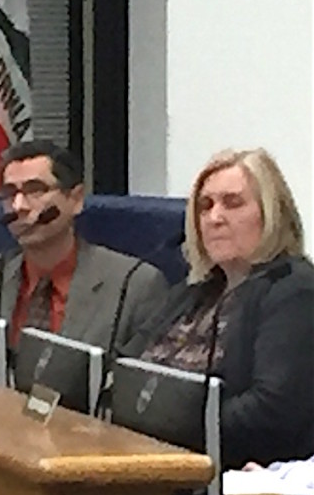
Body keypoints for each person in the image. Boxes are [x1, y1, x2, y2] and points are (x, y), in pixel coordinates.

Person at [120, 148, 314, 470]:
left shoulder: (294, 289)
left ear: (272, 212)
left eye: (233, 203)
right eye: (205, 206)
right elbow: (128, 366)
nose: (214, 218)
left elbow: (271, 410)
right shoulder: (196, 290)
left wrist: (168, 425)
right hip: (157, 462)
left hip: (233, 479)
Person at [0, 139, 167, 349]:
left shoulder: (134, 286)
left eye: (35, 190)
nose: (19, 206)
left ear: (76, 199)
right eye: (9, 194)